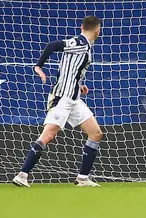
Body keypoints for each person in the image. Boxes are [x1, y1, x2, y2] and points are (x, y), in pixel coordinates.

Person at [13, 16, 104, 187]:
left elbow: (70, 70)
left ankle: (82, 179)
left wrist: (80, 86)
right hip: (62, 98)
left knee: (96, 133)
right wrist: (38, 67)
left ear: (81, 26)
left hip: (74, 98)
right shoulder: (80, 43)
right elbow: (52, 46)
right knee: (48, 135)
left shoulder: (86, 47)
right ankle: (22, 175)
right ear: (98, 30)